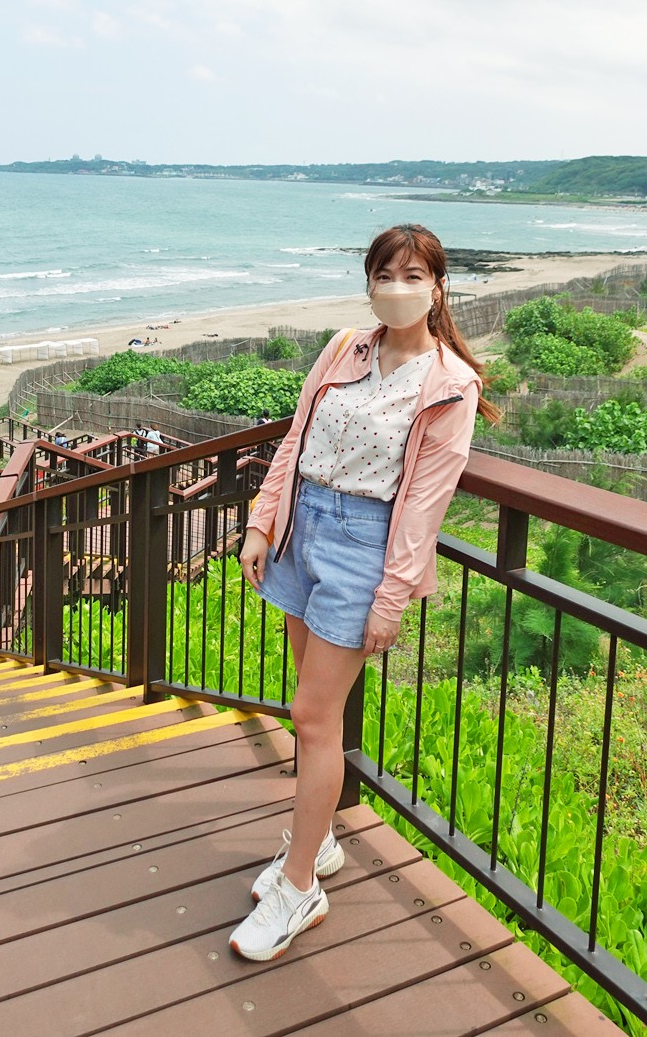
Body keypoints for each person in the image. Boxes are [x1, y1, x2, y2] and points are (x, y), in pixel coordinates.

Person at [229, 224, 499, 962]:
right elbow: (296, 438)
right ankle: (314, 848)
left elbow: (424, 503)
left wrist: (392, 597)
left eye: (414, 275)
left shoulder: (450, 384)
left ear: (437, 287)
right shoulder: (348, 345)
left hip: (362, 547)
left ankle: (299, 886)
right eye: (386, 272)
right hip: (301, 526)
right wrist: (262, 521)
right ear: (370, 281)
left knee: (313, 718)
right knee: (312, 709)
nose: (397, 286)